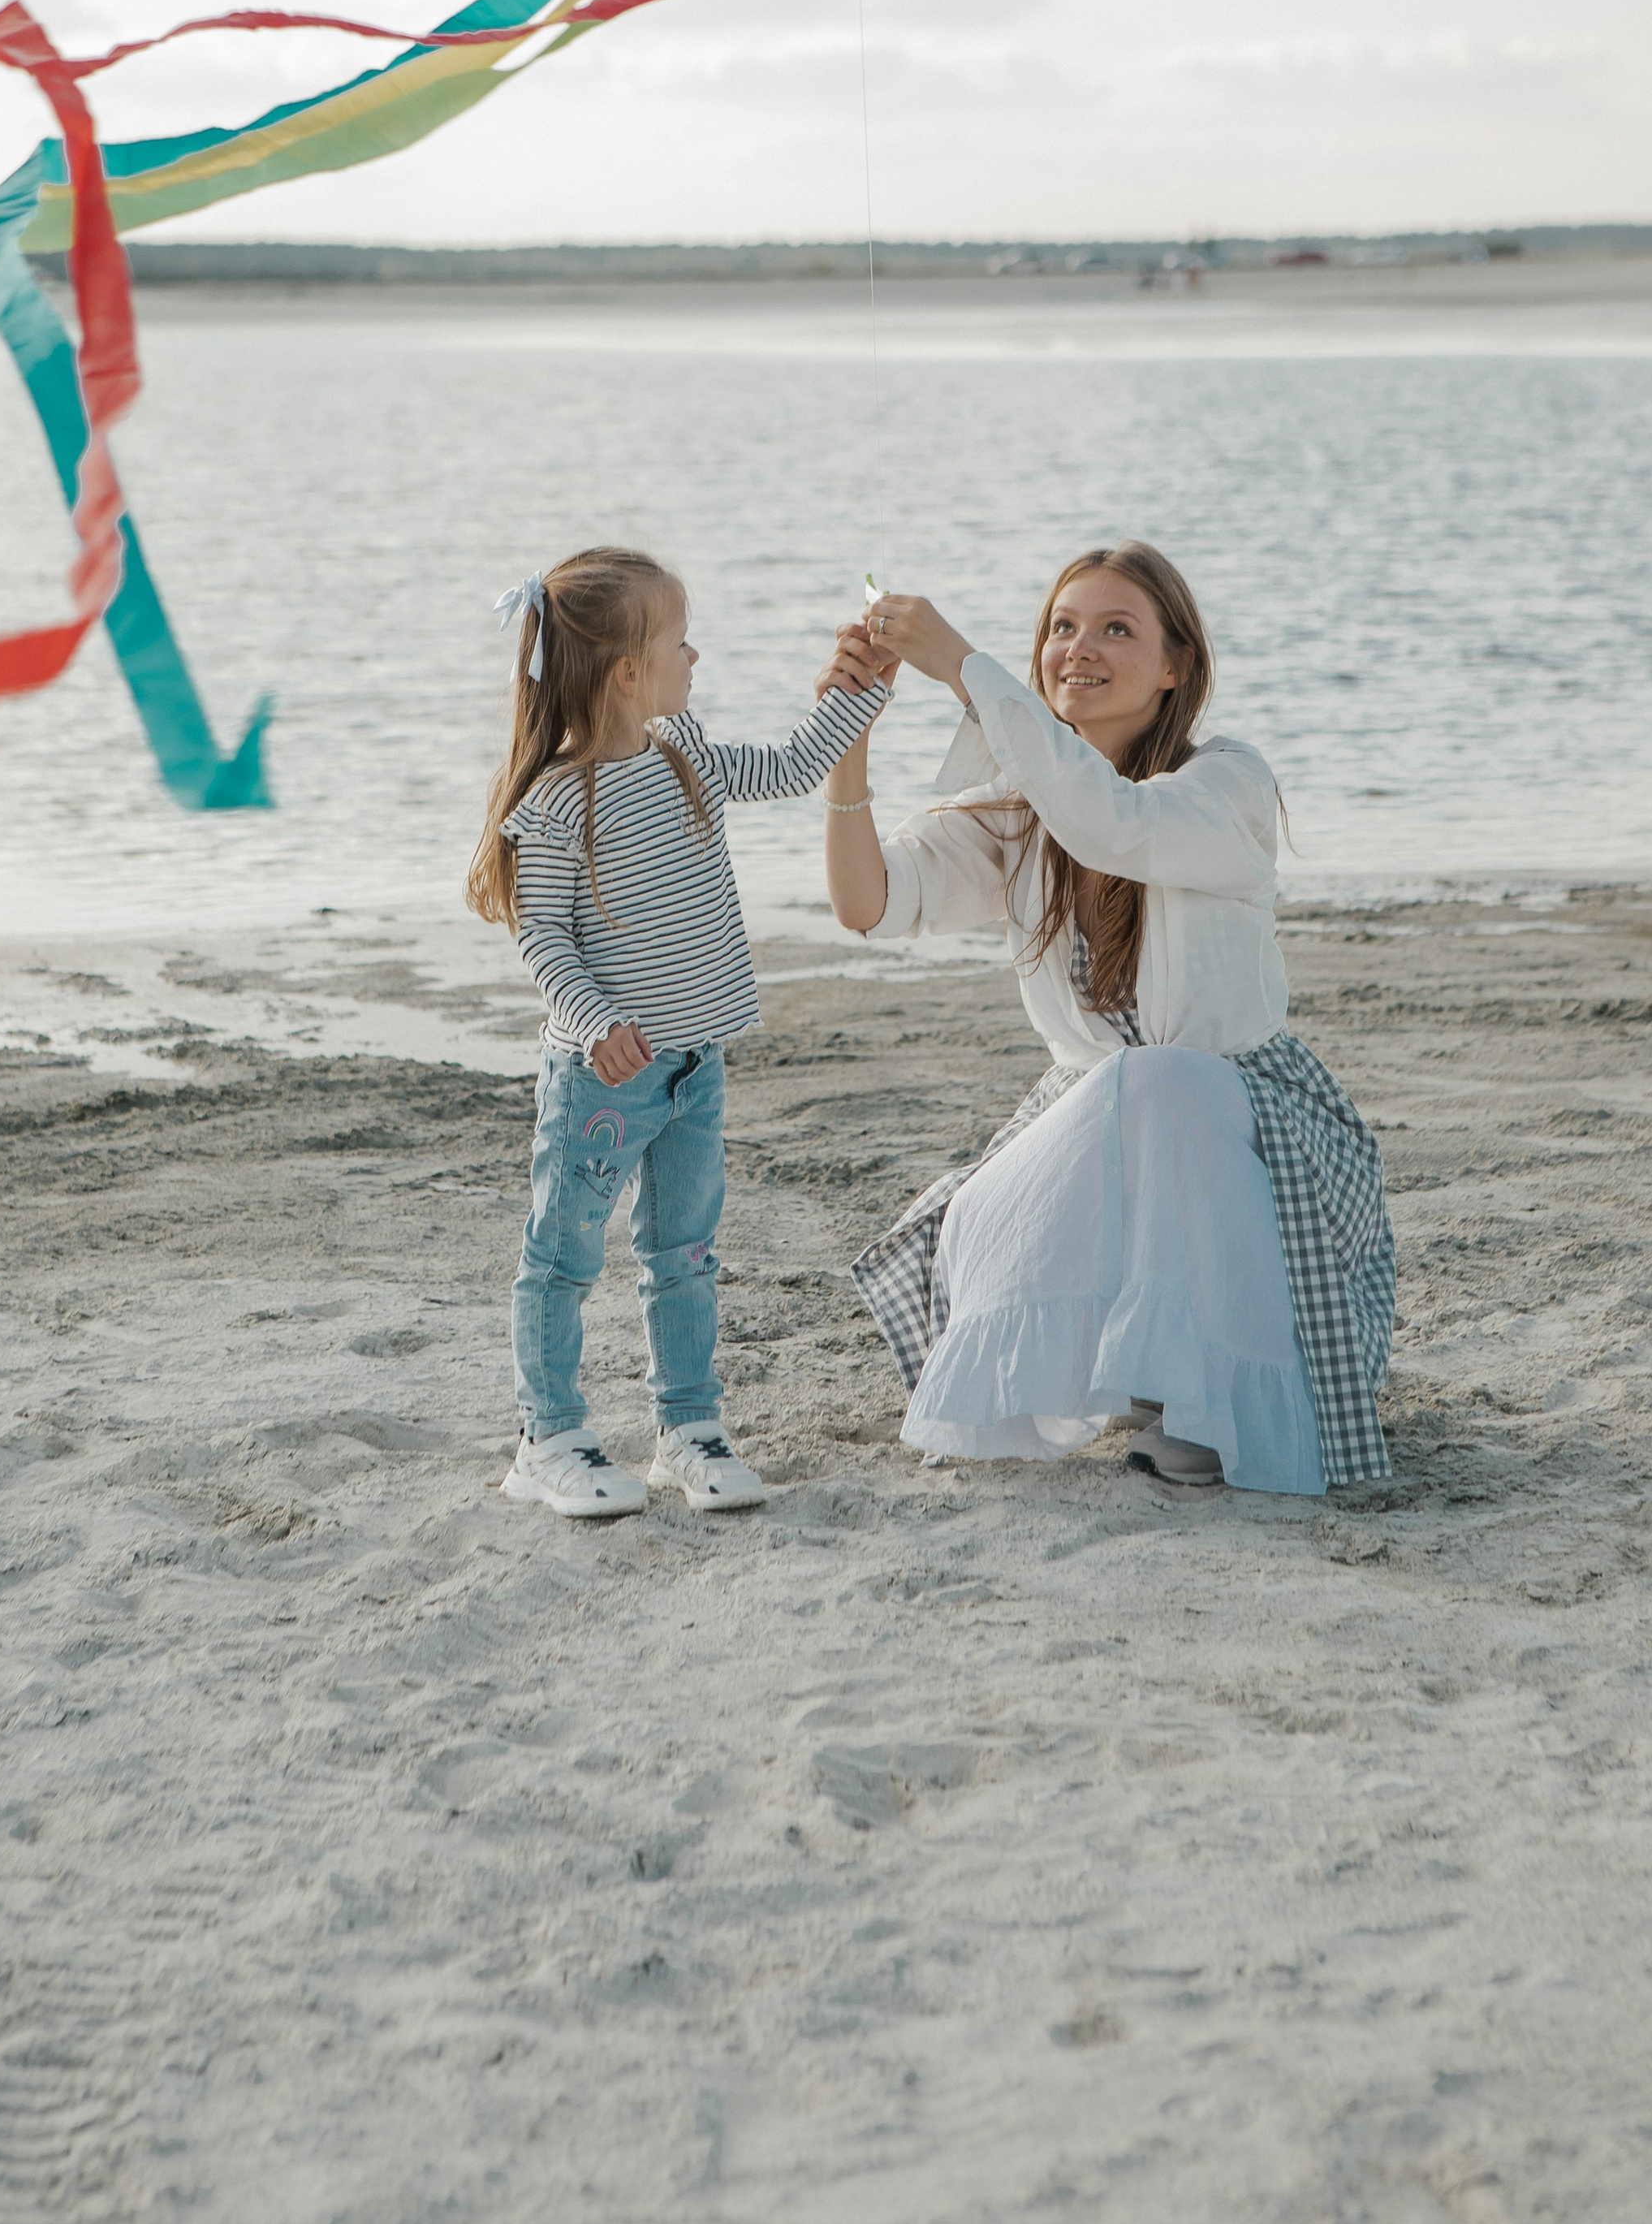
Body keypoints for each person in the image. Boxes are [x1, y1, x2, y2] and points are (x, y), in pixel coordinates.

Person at [822, 545, 1394, 1495]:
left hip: (1248, 1128)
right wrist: (851, 735)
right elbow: (869, 903)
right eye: (1060, 627)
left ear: (1175, 667)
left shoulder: (1228, 786)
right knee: (985, 1201)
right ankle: (1130, 1369)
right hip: (1091, 1116)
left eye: (1115, 629)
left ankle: (1197, 1397)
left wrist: (963, 663)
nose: (1076, 650)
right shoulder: (1021, 810)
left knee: (1162, 1080)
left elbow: (1113, 824)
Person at [467, 546, 888, 1519]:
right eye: (678, 642)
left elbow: (787, 766)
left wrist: (858, 693)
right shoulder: (556, 803)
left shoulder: (683, 753)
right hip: (603, 1080)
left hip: (696, 1066)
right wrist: (596, 1020)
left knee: (685, 1252)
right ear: (626, 671)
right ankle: (550, 1436)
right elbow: (544, 939)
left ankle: (687, 1429)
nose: (694, 657)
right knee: (564, 1254)